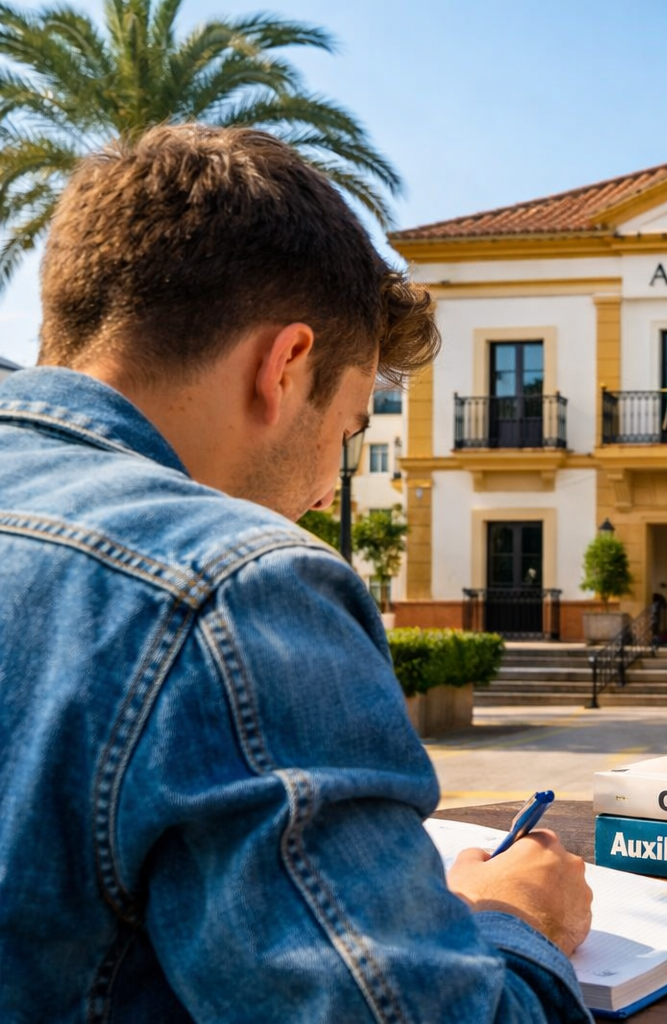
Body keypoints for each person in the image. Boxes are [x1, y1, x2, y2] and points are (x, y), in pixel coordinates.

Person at [0, 125, 593, 1023]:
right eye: (349, 429)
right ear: (284, 366)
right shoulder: (232, 586)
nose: (325, 491)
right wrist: (519, 918)